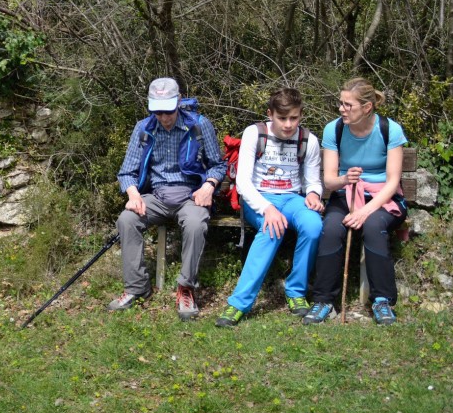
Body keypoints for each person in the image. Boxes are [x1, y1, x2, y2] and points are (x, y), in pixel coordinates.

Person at [111, 77, 227, 320]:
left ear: (180, 102)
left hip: (191, 197)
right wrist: (133, 194)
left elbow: (218, 165)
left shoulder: (199, 125)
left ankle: (186, 289)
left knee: (195, 224)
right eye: (158, 111)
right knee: (127, 220)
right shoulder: (143, 128)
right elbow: (126, 172)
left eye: (168, 110)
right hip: (157, 196)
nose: (164, 117)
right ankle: (136, 287)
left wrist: (209, 185)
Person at [215, 88, 324, 327]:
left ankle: (296, 292)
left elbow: (313, 181)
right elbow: (243, 183)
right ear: (270, 114)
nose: (288, 124)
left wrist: (315, 194)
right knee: (272, 228)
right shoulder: (255, 133)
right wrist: (267, 208)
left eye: (293, 118)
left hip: (293, 198)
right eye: (282, 118)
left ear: (301, 115)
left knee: (314, 225)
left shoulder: (309, 140)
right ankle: (239, 303)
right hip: (259, 198)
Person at [303, 78, 408, 325]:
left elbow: (393, 182)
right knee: (330, 228)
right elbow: (329, 181)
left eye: (348, 105)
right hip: (347, 194)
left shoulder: (390, 130)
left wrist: (366, 211)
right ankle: (323, 301)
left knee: (373, 226)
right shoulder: (334, 129)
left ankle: (382, 301)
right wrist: (344, 179)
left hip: (383, 198)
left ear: (367, 108)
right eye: (340, 103)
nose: (342, 109)